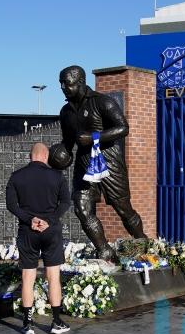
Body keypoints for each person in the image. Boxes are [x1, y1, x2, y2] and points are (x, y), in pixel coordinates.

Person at [51, 65, 147, 262]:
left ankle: (143, 243)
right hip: (84, 164)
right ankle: (104, 250)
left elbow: (123, 128)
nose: (63, 87)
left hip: (108, 161)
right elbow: (68, 142)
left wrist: (94, 137)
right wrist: (60, 155)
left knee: (123, 208)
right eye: (61, 83)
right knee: (81, 208)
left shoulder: (103, 102)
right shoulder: (65, 112)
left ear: (80, 82)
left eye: (67, 83)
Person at [6, 142, 72, 334]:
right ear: (46, 156)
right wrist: (49, 220)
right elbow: (65, 202)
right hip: (51, 231)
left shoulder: (16, 176)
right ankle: (56, 322)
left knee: (28, 277)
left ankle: (27, 324)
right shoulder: (57, 176)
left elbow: (11, 205)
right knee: (53, 276)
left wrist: (30, 219)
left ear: (31, 156)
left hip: (28, 231)